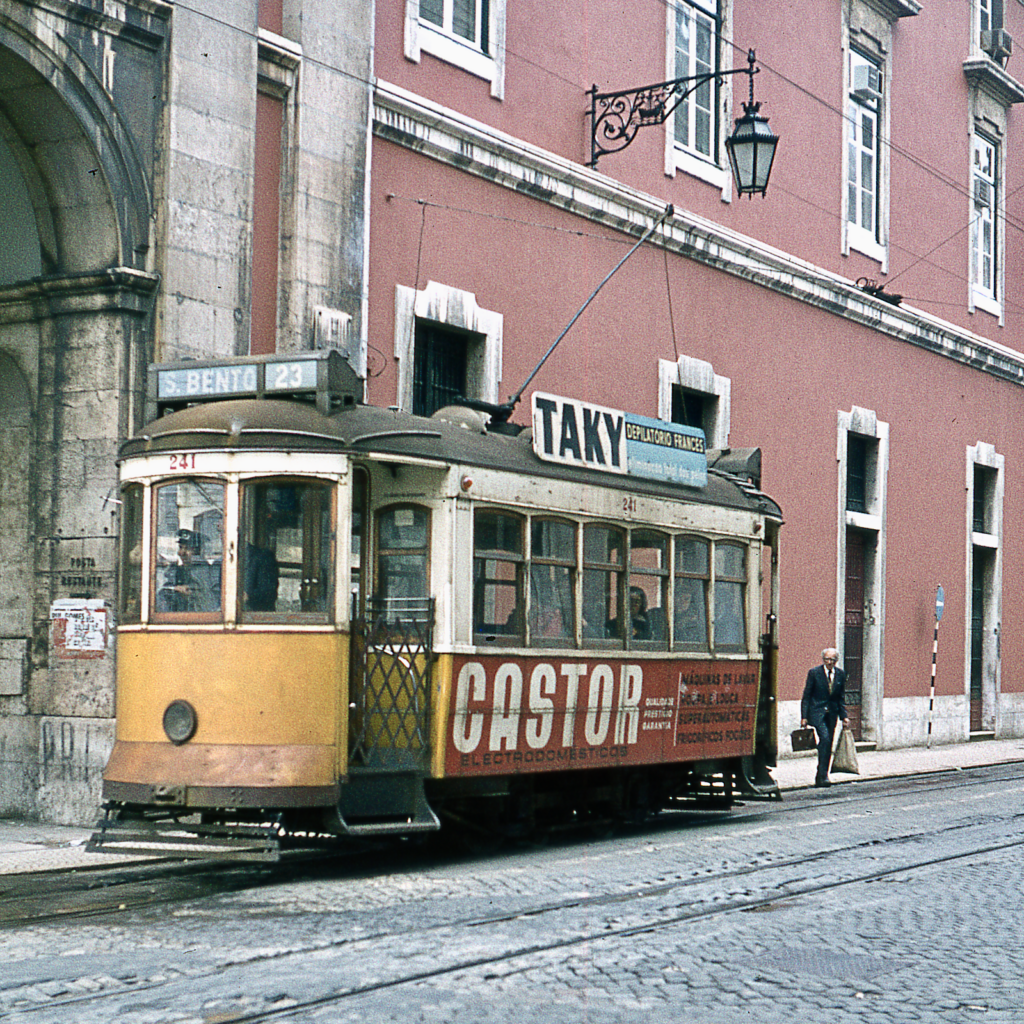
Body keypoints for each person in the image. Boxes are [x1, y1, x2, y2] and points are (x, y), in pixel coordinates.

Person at [800, 647, 850, 787]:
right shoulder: (814, 673)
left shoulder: (840, 674)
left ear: (836, 661)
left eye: (832, 660)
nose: (829, 662)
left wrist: (844, 716)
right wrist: (804, 716)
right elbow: (807, 696)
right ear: (823, 659)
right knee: (825, 738)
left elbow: (840, 697)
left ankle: (822, 775)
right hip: (817, 712)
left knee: (827, 744)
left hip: (832, 713)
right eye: (827, 659)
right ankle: (821, 773)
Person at [244, 542, 279, 611]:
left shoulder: (263, 557)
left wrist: (247, 596)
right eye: (219, 531)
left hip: (258, 617)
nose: (220, 535)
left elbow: (268, 592)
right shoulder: (224, 560)